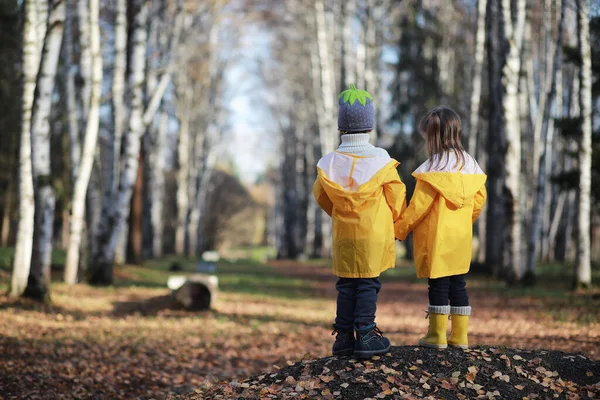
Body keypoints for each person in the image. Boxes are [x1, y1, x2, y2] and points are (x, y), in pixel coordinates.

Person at [313, 84, 407, 358]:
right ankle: (365, 333)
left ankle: (343, 338)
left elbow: (321, 196)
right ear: (369, 127)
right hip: (373, 233)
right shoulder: (381, 160)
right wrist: (396, 224)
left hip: (345, 234)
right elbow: (397, 195)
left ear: (342, 127)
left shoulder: (329, 163)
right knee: (367, 283)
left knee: (345, 284)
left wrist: (341, 213)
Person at [394, 106, 487, 349]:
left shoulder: (432, 171)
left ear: (433, 137)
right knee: (458, 284)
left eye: (425, 138)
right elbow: (479, 200)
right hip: (460, 238)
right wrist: (466, 221)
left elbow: (417, 207)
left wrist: (399, 230)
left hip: (436, 239)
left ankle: (436, 335)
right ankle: (460, 336)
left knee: (438, 284)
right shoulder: (471, 166)